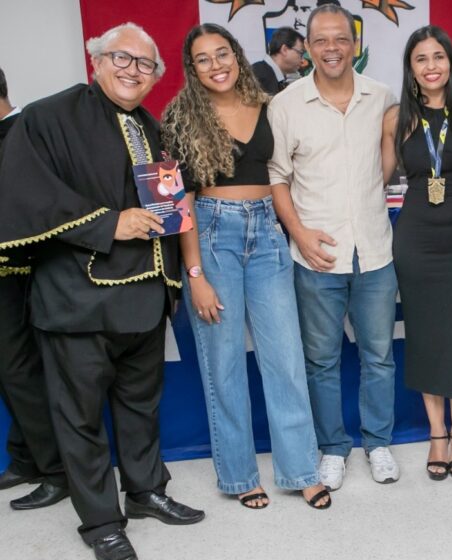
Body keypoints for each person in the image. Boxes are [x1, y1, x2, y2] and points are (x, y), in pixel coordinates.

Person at [0, 23, 205, 560]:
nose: (132, 71)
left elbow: (169, 211)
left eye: (145, 65)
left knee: (141, 407)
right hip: (76, 301)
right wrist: (106, 224)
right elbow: (24, 194)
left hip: (142, 299)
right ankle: (101, 524)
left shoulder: (155, 129)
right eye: (122, 58)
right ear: (96, 58)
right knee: (81, 418)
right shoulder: (47, 117)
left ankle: (145, 492)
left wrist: (174, 281)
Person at [161, 23, 330, 511]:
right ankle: (238, 476)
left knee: (286, 360)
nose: (216, 65)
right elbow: (179, 202)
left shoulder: (270, 104)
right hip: (213, 236)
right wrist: (195, 276)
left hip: (269, 233)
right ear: (191, 69)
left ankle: (300, 469)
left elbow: (286, 174)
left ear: (237, 55)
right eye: (203, 59)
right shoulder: (179, 118)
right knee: (225, 363)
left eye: (222, 53)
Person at [268, 4, 400, 490]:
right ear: (307, 47)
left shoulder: (381, 96)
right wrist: (300, 235)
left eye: (340, 39)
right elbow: (277, 179)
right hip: (316, 257)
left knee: (379, 356)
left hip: (375, 251)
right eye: (320, 40)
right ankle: (332, 448)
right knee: (321, 361)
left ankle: (379, 443)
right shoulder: (286, 105)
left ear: (355, 44)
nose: (331, 48)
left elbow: (384, 166)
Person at [380, 26, 452, 481]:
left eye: (438, 57)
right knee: (424, 334)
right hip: (417, 236)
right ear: (410, 67)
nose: (431, 66)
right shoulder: (395, 118)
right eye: (421, 58)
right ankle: (436, 434)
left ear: (451, 63)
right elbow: (377, 179)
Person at [0, 66, 69, 510]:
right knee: (12, 371)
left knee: (20, 369)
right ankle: (26, 457)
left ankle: (58, 471)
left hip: (22, 272)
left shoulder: (25, 132)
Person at [251, 26, 305, 94]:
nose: (303, 60)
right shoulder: (259, 77)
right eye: (301, 53)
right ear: (284, 50)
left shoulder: (269, 75)